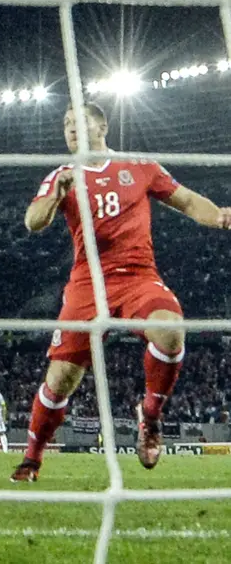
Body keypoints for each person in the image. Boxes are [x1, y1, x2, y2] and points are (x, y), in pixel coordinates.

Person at [12, 102, 231, 481]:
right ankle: (31, 459)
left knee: (171, 329)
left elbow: (187, 199)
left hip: (138, 278)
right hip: (87, 284)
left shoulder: (138, 165)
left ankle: (149, 416)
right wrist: (53, 196)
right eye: (65, 124)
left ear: (102, 126)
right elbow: (33, 222)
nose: (71, 129)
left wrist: (220, 216)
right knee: (60, 379)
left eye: (78, 122)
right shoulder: (62, 175)